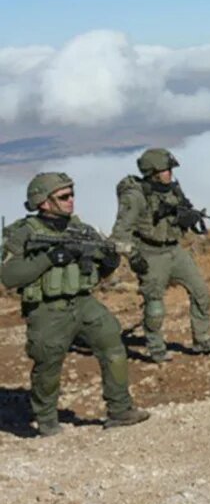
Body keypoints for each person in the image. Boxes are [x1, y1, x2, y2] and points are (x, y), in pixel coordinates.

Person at [3, 172, 149, 436]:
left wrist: (109, 260)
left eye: (71, 194)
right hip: (48, 310)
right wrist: (50, 258)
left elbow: (99, 273)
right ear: (43, 202)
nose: (71, 200)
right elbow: (9, 276)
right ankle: (46, 422)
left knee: (112, 345)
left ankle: (120, 410)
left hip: (84, 303)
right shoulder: (23, 233)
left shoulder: (81, 229)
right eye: (63, 196)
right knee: (48, 365)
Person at [111, 148, 210, 362]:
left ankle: (203, 338)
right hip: (150, 253)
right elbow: (118, 235)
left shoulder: (171, 190)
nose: (170, 172)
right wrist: (133, 256)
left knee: (201, 292)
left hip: (174, 249)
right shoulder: (136, 197)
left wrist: (187, 219)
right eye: (165, 169)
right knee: (154, 305)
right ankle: (156, 347)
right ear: (153, 172)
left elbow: (181, 210)